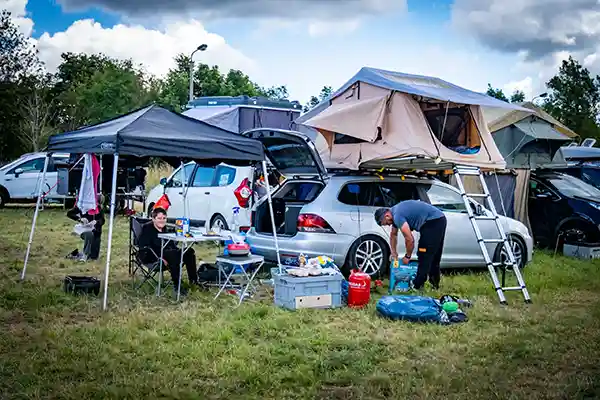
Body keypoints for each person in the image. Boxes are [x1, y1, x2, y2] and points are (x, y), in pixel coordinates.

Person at [374, 200, 447, 290]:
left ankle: (417, 285)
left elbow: (409, 239)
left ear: (387, 216)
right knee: (434, 255)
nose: (388, 225)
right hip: (439, 219)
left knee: (424, 254)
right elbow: (393, 234)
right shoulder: (395, 212)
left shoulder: (397, 216)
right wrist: (393, 252)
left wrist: (407, 256)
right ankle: (434, 285)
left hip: (433, 222)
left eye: (386, 223)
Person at [138, 207, 199, 296]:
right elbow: (144, 247)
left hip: (169, 253)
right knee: (172, 255)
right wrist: (159, 258)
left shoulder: (164, 228)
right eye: (159, 218)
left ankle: (194, 282)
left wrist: (178, 250)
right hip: (153, 256)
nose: (162, 221)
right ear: (153, 219)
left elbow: (170, 244)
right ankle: (177, 286)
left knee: (189, 251)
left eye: (164, 218)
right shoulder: (147, 228)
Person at [66, 197, 105, 261]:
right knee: (89, 234)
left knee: (93, 257)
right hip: (84, 230)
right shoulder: (82, 206)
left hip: (96, 232)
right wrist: (79, 219)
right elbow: (69, 213)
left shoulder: (99, 208)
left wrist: (96, 222)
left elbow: (102, 220)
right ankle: (85, 255)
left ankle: (76, 254)